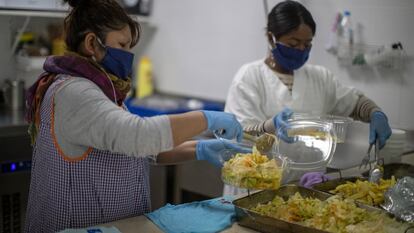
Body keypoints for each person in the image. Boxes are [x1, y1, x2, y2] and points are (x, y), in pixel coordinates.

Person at [24, 0, 246, 232]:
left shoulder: (102, 90)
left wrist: (200, 149)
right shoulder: (74, 91)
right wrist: (205, 118)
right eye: (123, 44)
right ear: (91, 43)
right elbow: (137, 136)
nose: (129, 55)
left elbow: (141, 151)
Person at [223, 0, 391, 195]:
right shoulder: (249, 77)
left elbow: (353, 102)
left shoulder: (320, 77)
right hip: (254, 190)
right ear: (271, 38)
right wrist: (269, 127)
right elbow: (239, 137)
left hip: (305, 189)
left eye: (307, 44)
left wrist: (375, 113)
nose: (301, 50)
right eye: (294, 44)